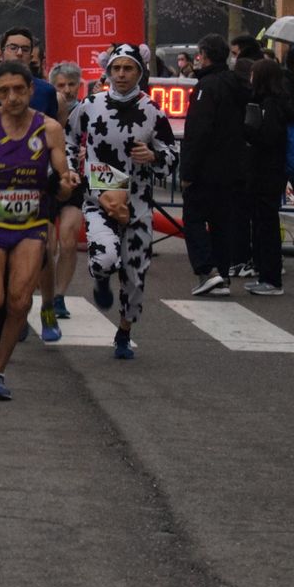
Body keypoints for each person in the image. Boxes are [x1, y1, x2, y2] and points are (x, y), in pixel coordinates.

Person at [0, 62, 77, 400]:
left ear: (31, 90)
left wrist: (65, 185)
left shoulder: (50, 128)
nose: (12, 97)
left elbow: (62, 175)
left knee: (19, 301)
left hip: (31, 225)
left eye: (19, 90)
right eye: (4, 91)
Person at [67, 44, 178, 359]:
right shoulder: (91, 105)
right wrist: (71, 168)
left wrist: (153, 155)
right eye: (116, 68)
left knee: (134, 276)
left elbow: (171, 157)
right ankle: (101, 279)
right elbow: (67, 137)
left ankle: (123, 333)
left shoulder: (152, 110)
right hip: (99, 196)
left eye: (128, 68)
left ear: (139, 72)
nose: (121, 75)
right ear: (107, 72)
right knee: (104, 259)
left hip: (138, 203)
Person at [182, 33, 249, 296]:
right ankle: (222, 273)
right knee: (222, 222)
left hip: (206, 167)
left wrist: (187, 170)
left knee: (194, 218)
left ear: (205, 55)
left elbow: (198, 131)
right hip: (233, 166)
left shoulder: (206, 87)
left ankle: (206, 270)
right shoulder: (237, 84)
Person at [242, 57, 294, 297]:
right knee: (262, 223)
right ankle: (265, 274)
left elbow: (268, 138)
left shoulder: (271, 105)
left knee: (266, 225)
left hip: (267, 172)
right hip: (266, 171)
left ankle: (271, 278)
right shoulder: (270, 102)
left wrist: (248, 131)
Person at [47, 61, 86, 326]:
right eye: (61, 85)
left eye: (72, 84)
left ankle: (59, 296)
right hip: (48, 179)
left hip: (77, 181)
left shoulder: (89, 111)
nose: (67, 90)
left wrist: (88, 151)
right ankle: (45, 293)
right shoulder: (43, 112)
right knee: (47, 247)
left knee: (69, 240)